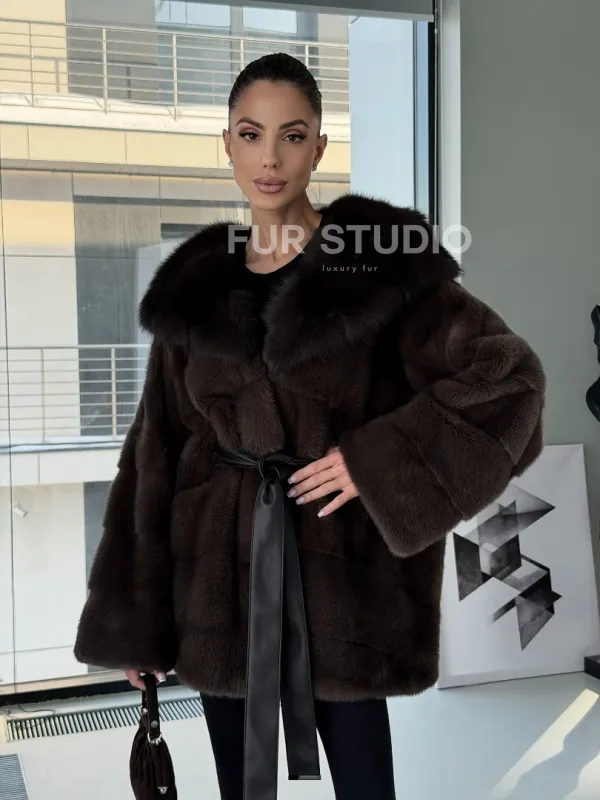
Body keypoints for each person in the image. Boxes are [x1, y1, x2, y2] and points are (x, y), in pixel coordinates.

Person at [73, 52, 546, 800]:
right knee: (240, 786)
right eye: (250, 134)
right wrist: (136, 621)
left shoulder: (382, 269)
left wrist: (377, 462)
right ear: (227, 145)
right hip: (217, 594)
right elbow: (154, 454)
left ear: (319, 147)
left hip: (346, 591)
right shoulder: (193, 289)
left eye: (291, 136)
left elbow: (509, 377)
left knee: (365, 786)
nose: (270, 158)